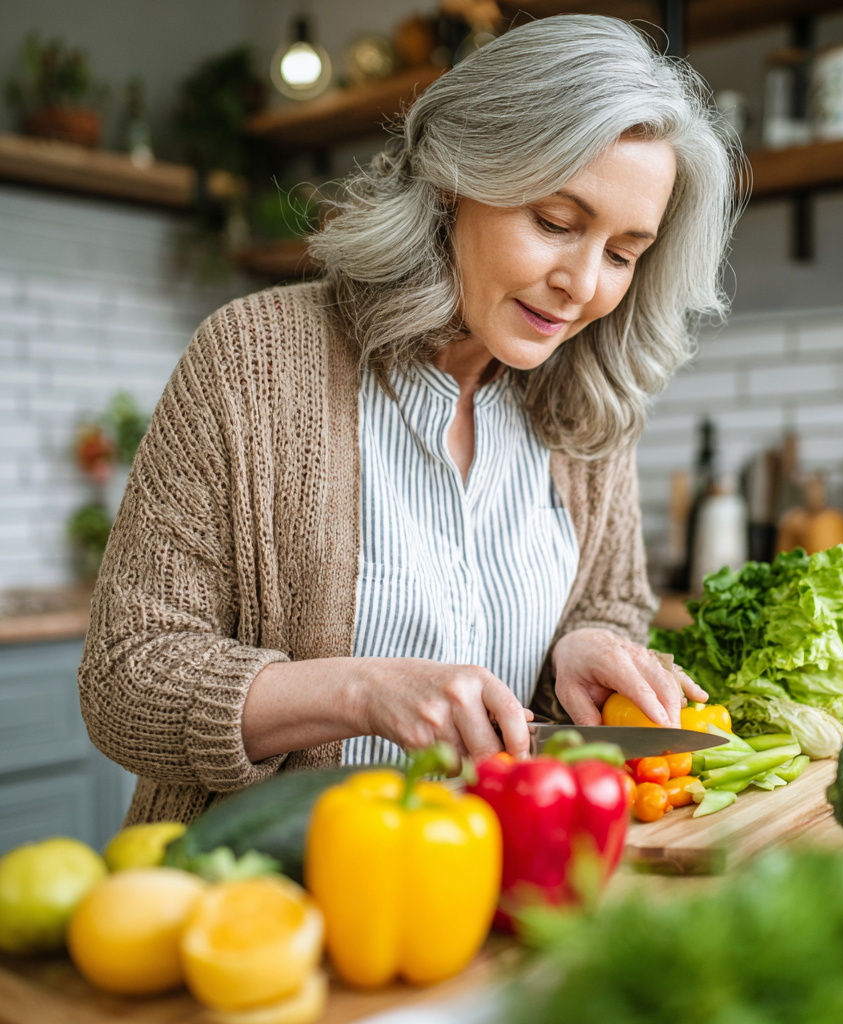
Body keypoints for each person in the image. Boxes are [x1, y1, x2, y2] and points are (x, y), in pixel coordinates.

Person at [79, 14, 739, 824]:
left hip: (492, 893)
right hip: (253, 907)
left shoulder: (591, 406)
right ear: (455, 181)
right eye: (556, 223)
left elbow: (608, 604)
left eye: (623, 253)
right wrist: (363, 691)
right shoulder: (254, 361)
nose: (583, 283)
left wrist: (584, 648)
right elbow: (126, 676)